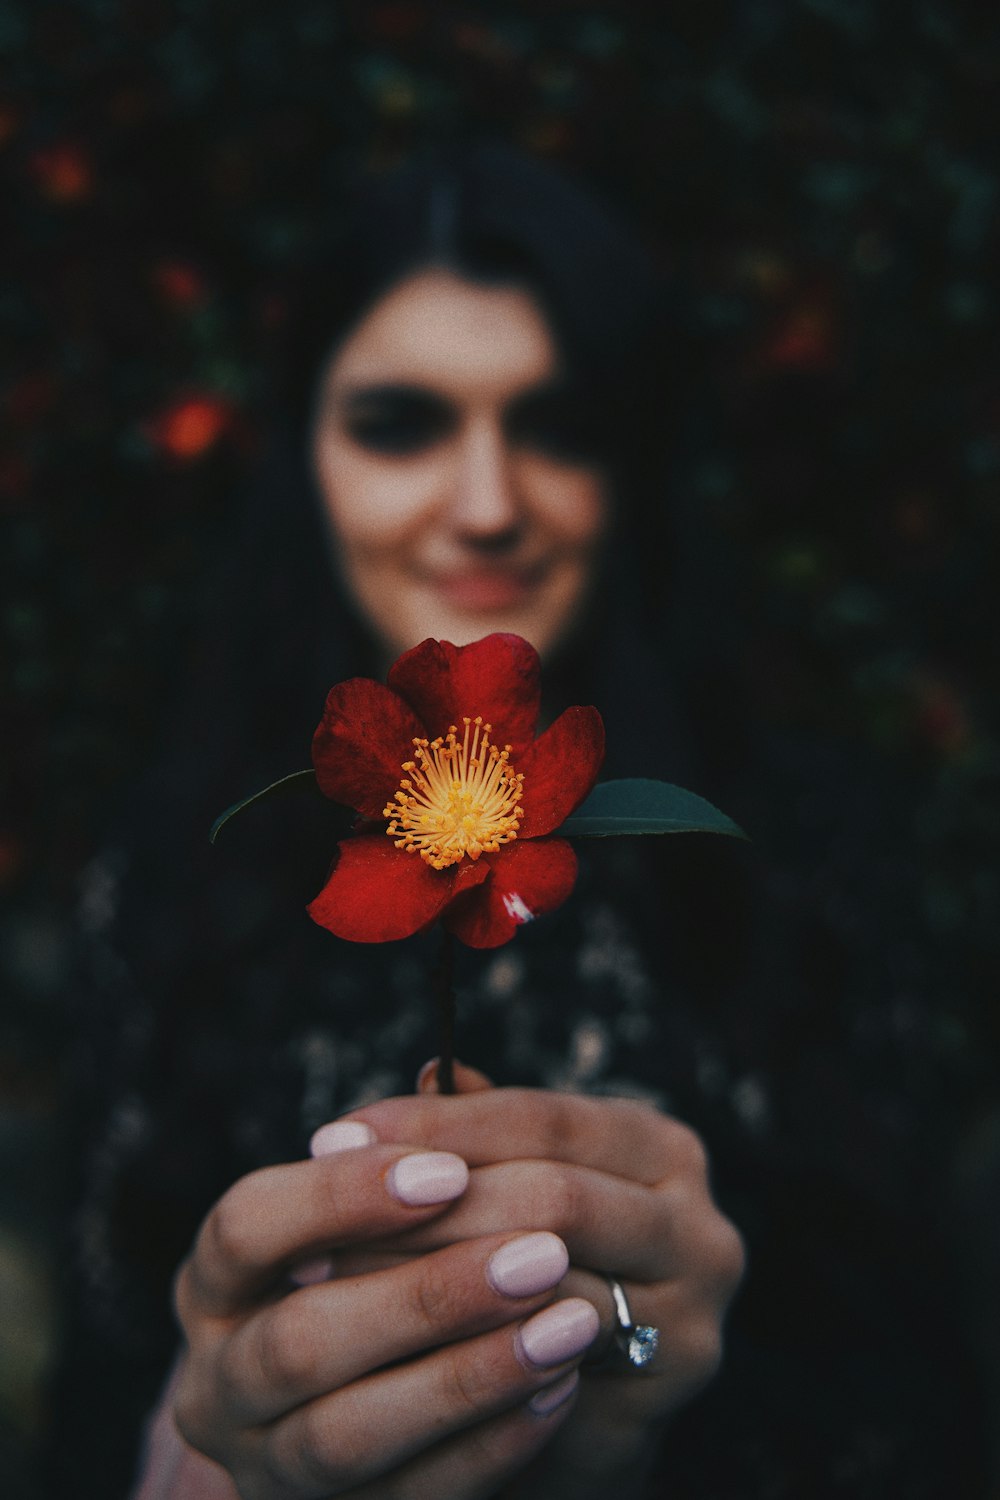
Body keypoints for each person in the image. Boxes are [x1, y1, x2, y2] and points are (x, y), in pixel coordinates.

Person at [48, 145, 987, 1499]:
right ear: (302, 452)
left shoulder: (821, 865)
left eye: (556, 425)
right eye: (399, 421)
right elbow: (88, 1408)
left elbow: (926, 1414)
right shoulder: (156, 889)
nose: (486, 502)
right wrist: (198, 1456)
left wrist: (634, 1398)